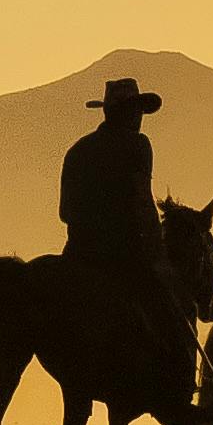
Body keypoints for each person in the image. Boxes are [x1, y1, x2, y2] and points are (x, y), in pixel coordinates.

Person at [63, 75, 179, 328]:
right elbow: (141, 203)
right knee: (168, 308)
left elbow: (65, 213)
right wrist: (156, 248)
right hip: (122, 256)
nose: (139, 117)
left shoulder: (77, 150)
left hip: (78, 253)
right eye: (136, 111)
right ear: (126, 113)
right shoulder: (137, 145)